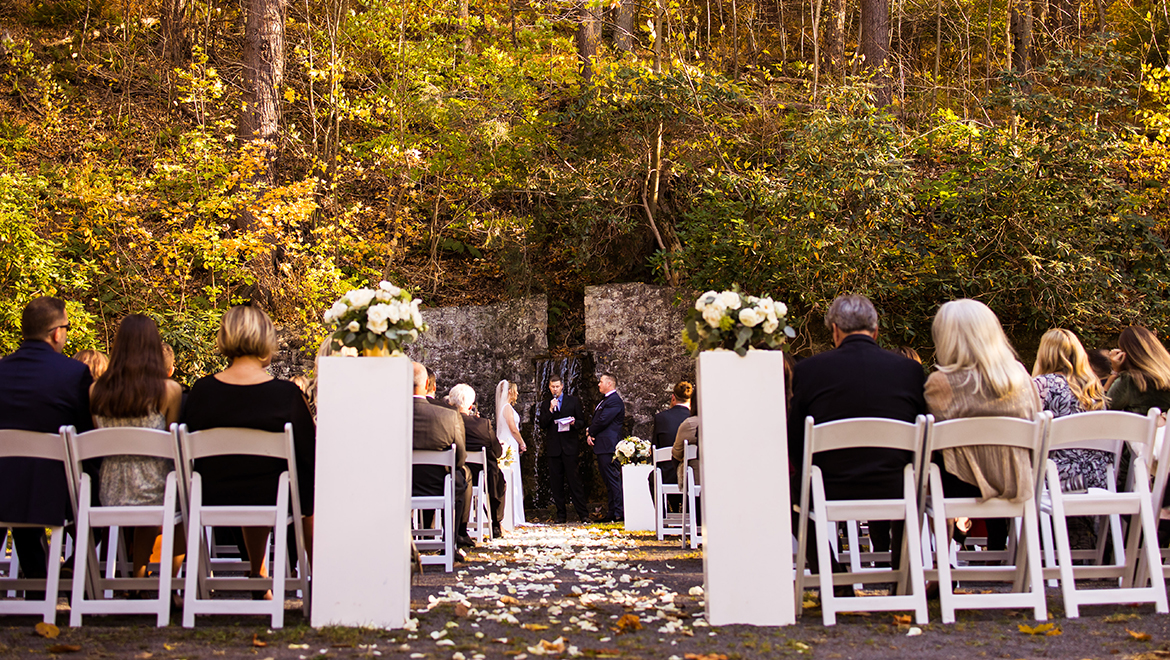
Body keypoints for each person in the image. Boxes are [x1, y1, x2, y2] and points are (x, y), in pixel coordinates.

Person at [787, 294, 927, 584]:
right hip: (896, 485)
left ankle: (832, 577)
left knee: (788, 492)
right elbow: (922, 435)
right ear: (875, 332)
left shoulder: (808, 371)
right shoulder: (910, 370)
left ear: (835, 330)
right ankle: (901, 580)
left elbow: (796, 442)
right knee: (915, 485)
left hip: (829, 487)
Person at [181, 305, 317, 586]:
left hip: (210, 495)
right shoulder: (286, 395)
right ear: (267, 341)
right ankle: (321, 576)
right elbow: (309, 457)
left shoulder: (201, 392)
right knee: (306, 485)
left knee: (255, 477)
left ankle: (258, 573)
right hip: (272, 496)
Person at [925, 299, 1040, 552]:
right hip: (1015, 480)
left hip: (957, 486)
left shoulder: (941, 382)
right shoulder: (1021, 376)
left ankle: (940, 559)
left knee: (929, 467)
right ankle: (999, 552)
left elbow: (931, 441)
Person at [0, 296, 93, 584]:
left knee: (17, 480)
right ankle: (72, 573)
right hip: (52, 492)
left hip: (4, 487)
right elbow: (86, 435)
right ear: (56, 333)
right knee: (95, 483)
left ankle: (39, 579)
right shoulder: (73, 373)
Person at [89, 314, 185, 580]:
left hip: (110, 490)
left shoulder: (96, 391)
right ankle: (169, 584)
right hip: (157, 490)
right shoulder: (169, 391)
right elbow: (172, 444)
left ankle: (139, 577)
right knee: (190, 503)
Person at [1032, 328, 1108, 490]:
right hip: (1097, 475)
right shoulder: (1093, 386)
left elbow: (1029, 432)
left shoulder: (1042, 384)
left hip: (1057, 476)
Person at [414, 363, 471, 552]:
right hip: (439, 484)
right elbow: (460, 458)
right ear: (428, 384)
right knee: (461, 480)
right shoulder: (449, 416)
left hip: (402, 485)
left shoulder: (390, 415)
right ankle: (450, 543)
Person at [448, 384, 505, 537]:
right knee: (498, 478)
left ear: (451, 403)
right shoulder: (483, 425)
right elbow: (498, 452)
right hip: (483, 479)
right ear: (471, 405)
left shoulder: (445, 423)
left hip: (452, 476)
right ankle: (495, 523)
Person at [537, 375, 588, 524]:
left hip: (570, 447)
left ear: (562, 386)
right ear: (549, 387)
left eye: (557, 387)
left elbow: (582, 422)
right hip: (554, 448)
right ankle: (560, 515)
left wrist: (573, 423)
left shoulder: (573, 401)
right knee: (556, 483)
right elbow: (542, 424)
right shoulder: (546, 404)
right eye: (552, 387)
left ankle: (583, 514)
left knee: (575, 481)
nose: (555, 389)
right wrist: (551, 410)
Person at [647, 381, 693, 511]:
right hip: (690, 476)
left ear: (673, 397)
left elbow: (656, 446)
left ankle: (663, 516)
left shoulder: (661, 418)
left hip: (667, 476)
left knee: (653, 477)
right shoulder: (695, 418)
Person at [1105, 326, 1170, 417]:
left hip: (1140, 431)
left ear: (1125, 355)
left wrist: (1115, 373)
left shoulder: (1130, 381)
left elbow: (1102, 411)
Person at [587, 373, 626, 523]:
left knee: (613, 479)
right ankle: (612, 512)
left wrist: (590, 431)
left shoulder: (614, 401)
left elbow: (603, 420)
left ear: (609, 384)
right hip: (603, 445)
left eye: (601, 381)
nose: (598, 384)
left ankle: (618, 512)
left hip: (609, 445)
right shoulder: (606, 400)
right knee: (608, 481)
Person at [495, 380, 527, 526]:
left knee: (511, 476)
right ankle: (511, 515)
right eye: (515, 390)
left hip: (509, 442)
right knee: (510, 476)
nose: (518, 393)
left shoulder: (505, 407)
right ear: (509, 391)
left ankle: (513, 514)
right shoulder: (507, 408)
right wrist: (522, 442)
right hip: (509, 442)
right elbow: (513, 428)